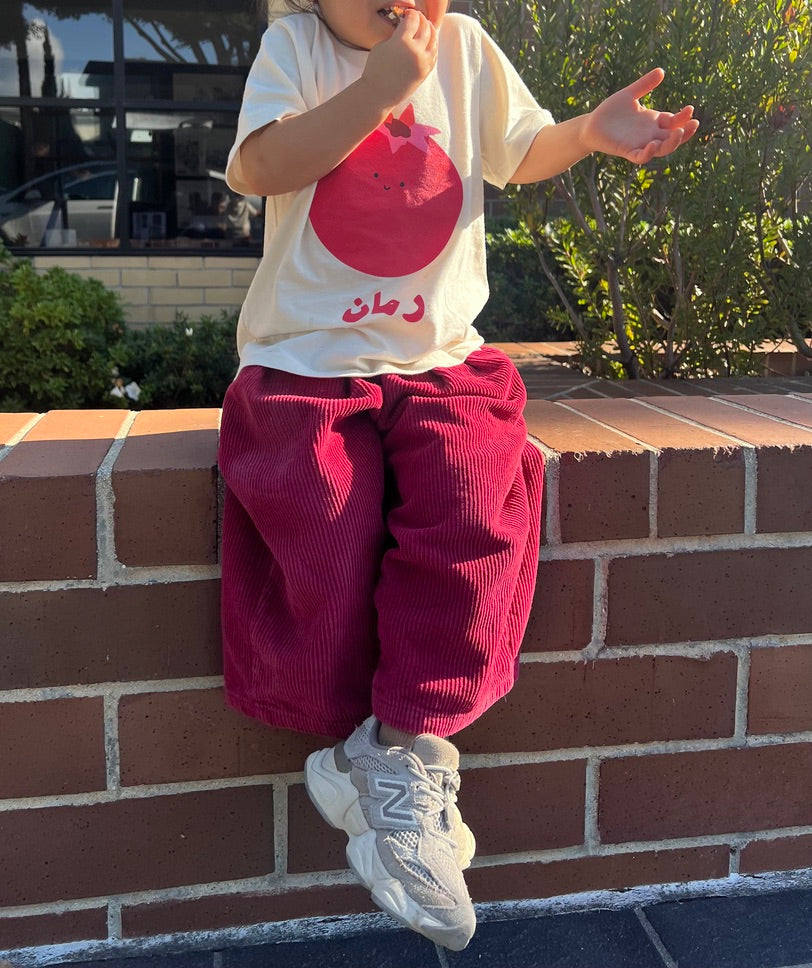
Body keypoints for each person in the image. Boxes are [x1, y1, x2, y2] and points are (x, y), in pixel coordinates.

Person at [218, 0, 698, 951]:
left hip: (440, 358)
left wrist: (589, 134)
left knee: (478, 503)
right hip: (308, 363)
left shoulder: (467, 47)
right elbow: (260, 167)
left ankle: (405, 753)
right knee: (319, 514)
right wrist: (378, 92)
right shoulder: (296, 49)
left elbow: (518, 151)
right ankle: (352, 746)